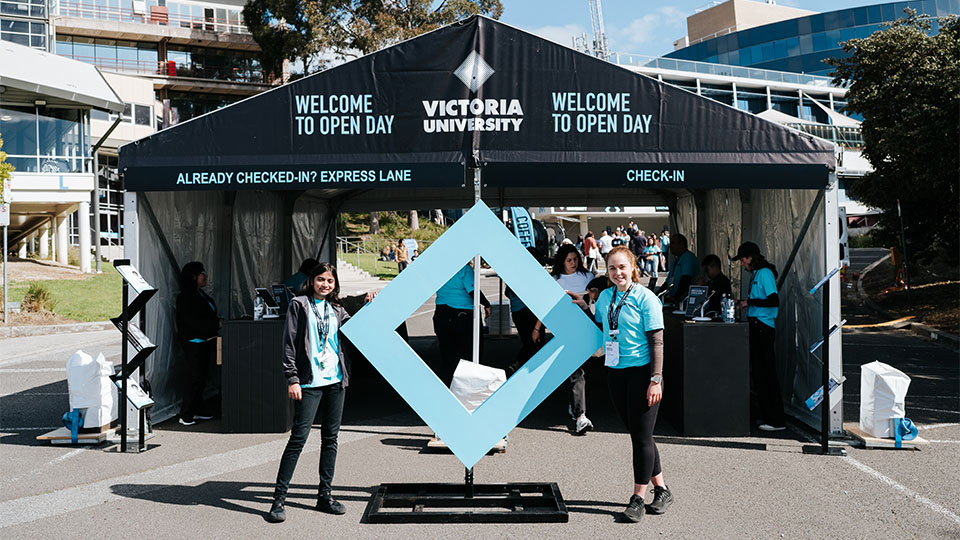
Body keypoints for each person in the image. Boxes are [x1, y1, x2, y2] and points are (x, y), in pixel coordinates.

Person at [268, 262, 360, 523]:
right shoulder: (299, 304)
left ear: (335, 284)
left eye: (330, 281)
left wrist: (370, 303)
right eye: (321, 279)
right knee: (298, 438)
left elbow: (357, 330)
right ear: (312, 280)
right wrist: (292, 379)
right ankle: (278, 500)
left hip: (336, 381)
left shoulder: (338, 309)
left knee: (331, 439)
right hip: (309, 382)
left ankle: (325, 496)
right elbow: (288, 343)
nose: (325, 285)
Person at [593, 246, 673, 523]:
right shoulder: (604, 298)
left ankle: (638, 497)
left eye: (622, 267)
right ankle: (662, 489)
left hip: (643, 375)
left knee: (640, 438)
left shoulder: (646, 298)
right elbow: (599, 327)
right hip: (616, 373)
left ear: (633, 267)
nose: (617, 273)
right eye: (612, 268)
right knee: (641, 435)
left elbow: (657, 343)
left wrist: (656, 380)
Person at [533, 244, 596, 434]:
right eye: (569, 260)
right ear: (562, 261)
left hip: (585, 327)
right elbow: (547, 307)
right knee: (577, 372)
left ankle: (575, 406)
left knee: (578, 371)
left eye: (575, 259)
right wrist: (537, 327)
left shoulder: (588, 277)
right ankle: (580, 415)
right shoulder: (555, 280)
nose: (573, 263)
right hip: (564, 329)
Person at [733, 241, 786, 432]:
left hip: (763, 326)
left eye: (742, 260)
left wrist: (749, 302)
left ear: (750, 258)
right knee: (759, 373)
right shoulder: (757, 273)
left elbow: (773, 300)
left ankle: (776, 419)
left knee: (766, 373)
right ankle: (767, 415)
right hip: (756, 325)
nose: (742, 264)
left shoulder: (764, 273)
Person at [176, 262, 221, 426]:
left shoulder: (200, 294)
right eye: (202, 273)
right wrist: (216, 325)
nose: (205, 276)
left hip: (206, 341)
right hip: (194, 342)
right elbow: (191, 322)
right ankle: (186, 414)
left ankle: (198, 409)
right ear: (193, 276)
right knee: (194, 378)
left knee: (202, 377)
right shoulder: (185, 297)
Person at [433, 262, 491, 387]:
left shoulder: (440, 268)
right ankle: (465, 388)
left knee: (448, 353)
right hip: (462, 315)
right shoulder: (464, 269)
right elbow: (473, 291)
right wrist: (486, 304)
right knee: (468, 353)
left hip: (441, 313)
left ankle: (447, 385)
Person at [657, 233, 698, 304]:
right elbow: (667, 283)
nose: (670, 246)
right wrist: (656, 295)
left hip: (684, 300)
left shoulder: (688, 258)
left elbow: (686, 280)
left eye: (673, 243)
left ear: (681, 244)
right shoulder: (676, 260)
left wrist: (676, 298)